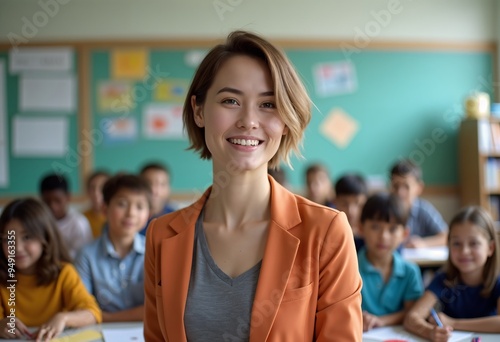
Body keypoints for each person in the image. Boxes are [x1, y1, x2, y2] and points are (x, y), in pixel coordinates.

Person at [143, 30, 362, 341]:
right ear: (199, 110)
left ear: (286, 120)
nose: (248, 120)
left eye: (268, 104)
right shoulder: (162, 235)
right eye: (230, 100)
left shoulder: (327, 231)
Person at [0, 198, 101, 341]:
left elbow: (93, 313)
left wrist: (64, 318)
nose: (17, 248)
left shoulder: (64, 273)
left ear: (45, 237)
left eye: (27, 237)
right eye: (8, 239)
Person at [404, 206, 500, 341]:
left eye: (473, 243)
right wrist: (429, 332)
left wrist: (454, 323)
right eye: (456, 243)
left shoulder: (497, 282)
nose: (464, 251)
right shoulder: (443, 280)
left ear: (490, 248)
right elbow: (412, 318)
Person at [75, 174, 151, 322]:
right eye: (122, 204)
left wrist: (105, 317)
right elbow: (83, 307)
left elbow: (157, 309)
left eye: (140, 206)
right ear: (104, 209)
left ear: (148, 214)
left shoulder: (155, 252)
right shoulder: (86, 255)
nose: (131, 213)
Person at [358, 193, 423, 331]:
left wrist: (381, 321)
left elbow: (412, 312)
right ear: (361, 228)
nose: (383, 236)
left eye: (392, 229)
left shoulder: (410, 271)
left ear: (405, 234)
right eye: (375, 227)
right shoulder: (349, 269)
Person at [389, 159, 448, 248]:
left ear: (419, 187)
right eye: (395, 186)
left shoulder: (423, 210)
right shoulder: (385, 210)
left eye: (406, 186)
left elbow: (446, 236)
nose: (400, 192)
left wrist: (423, 243)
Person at [39, 173, 93, 258]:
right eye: (47, 202)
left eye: (58, 201)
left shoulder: (79, 223)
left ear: (68, 197)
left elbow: (83, 255)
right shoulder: (38, 222)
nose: (53, 206)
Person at [138, 162, 175, 236]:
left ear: (169, 189)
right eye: (148, 183)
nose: (155, 191)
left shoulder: (177, 218)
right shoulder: (130, 217)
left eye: (162, 184)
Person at [333, 173, 368, 250]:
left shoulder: (370, 235)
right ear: (335, 202)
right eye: (344, 204)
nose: (351, 211)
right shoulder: (330, 233)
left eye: (357, 203)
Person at [82, 170, 110, 238]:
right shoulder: (81, 219)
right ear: (88, 191)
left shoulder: (115, 217)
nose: (96, 193)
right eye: (92, 188)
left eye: (101, 187)